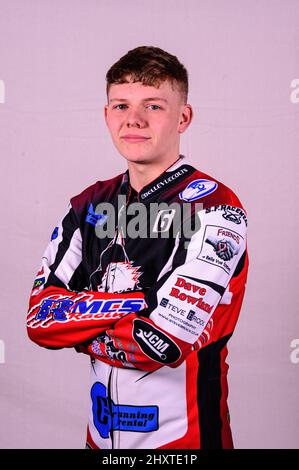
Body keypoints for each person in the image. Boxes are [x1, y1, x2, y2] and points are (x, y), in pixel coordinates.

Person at [27, 46, 249, 449]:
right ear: (106, 115)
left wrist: (79, 327)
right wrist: (140, 302)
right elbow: (40, 319)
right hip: (101, 439)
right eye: (120, 105)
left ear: (183, 117)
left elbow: (161, 343)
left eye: (153, 105)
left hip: (186, 442)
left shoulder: (217, 208)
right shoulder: (87, 204)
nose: (134, 119)